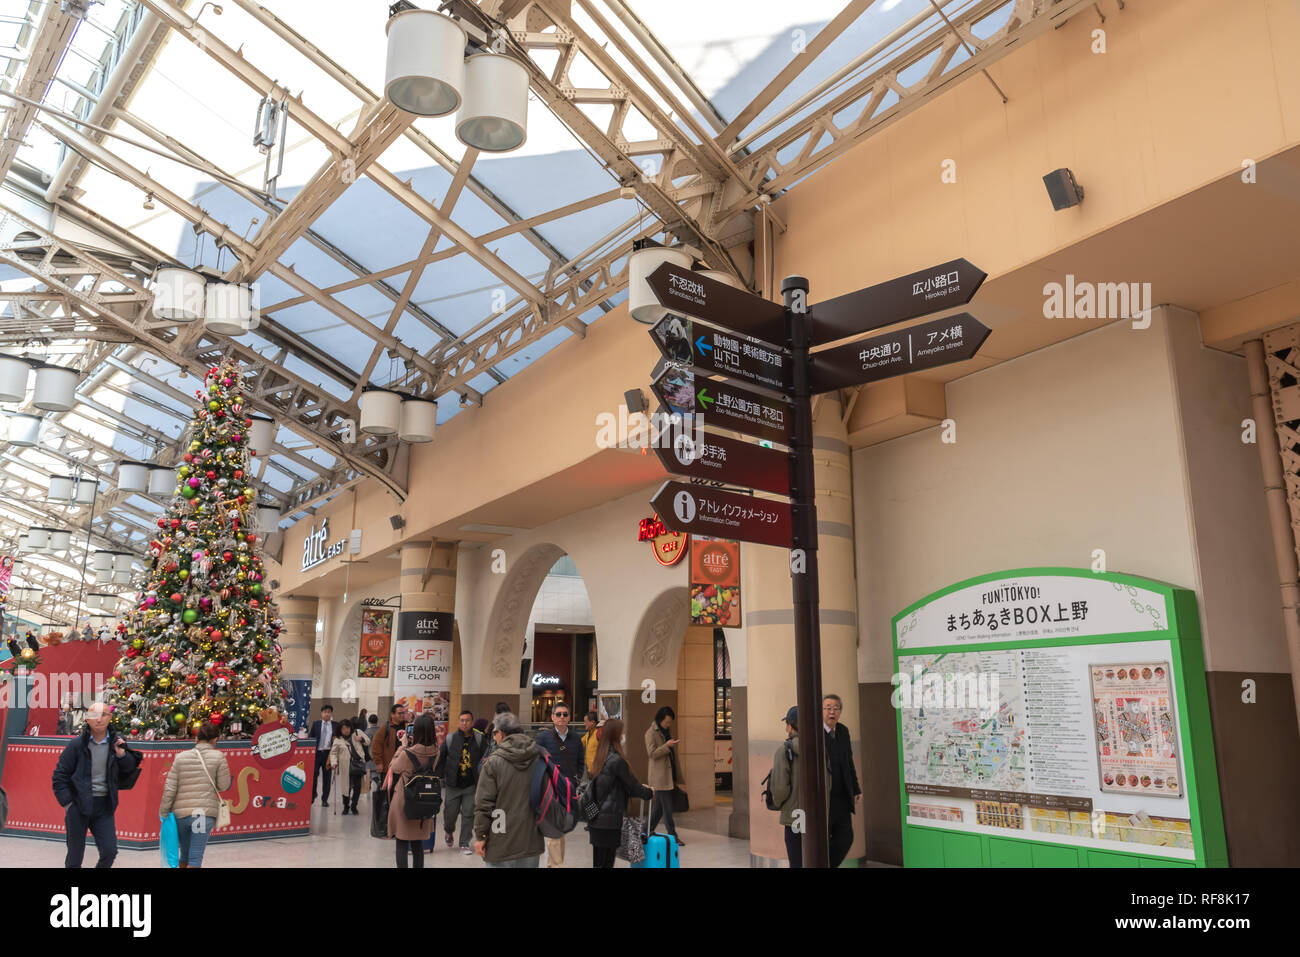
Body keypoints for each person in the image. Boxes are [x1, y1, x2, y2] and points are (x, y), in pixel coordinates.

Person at [51, 701, 140, 868]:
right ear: (87, 719)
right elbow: (59, 776)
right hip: (78, 804)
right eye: (94, 715)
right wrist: (68, 803)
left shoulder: (117, 742)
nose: (99, 719)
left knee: (110, 851)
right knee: (75, 855)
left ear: (110, 718)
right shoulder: (77, 745)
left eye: (103, 715)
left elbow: (129, 768)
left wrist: (121, 753)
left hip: (104, 806)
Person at [473, 712, 544, 868]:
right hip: (530, 839)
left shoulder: (493, 762)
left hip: (500, 839)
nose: (493, 737)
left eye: (494, 732)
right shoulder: (538, 757)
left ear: (502, 733)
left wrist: (481, 836)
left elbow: (484, 803)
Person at [158, 720, 232, 868]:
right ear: (215, 739)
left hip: (181, 815)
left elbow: (170, 788)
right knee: (195, 858)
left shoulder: (180, 757)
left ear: (196, 738)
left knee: (184, 856)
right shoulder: (219, 757)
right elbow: (223, 786)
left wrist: (164, 811)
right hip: (203, 815)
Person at [585, 718, 651, 868]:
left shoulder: (600, 756)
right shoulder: (616, 760)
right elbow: (632, 786)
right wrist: (648, 792)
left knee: (599, 863)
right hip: (609, 821)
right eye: (621, 733)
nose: (623, 735)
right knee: (607, 863)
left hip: (596, 819)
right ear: (616, 735)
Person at [383, 713, 439, 868]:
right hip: (424, 800)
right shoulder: (436, 751)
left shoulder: (408, 753)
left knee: (401, 842)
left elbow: (393, 767)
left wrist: (403, 746)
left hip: (405, 799)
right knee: (417, 844)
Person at [533, 701, 585, 867]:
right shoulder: (543, 737)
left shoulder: (576, 738)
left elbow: (580, 762)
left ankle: (555, 863)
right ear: (552, 717)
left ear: (569, 717)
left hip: (568, 789)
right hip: (550, 790)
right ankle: (556, 864)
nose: (562, 717)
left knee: (562, 827)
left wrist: (576, 779)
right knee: (555, 828)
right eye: (558, 714)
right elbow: (537, 762)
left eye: (565, 714)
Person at [434, 709, 487, 853]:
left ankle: (464, 843)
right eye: (462, 720)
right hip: (453, 784)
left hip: (471, 784)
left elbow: (485, 759)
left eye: (467, 720)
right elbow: (442, 757)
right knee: (450, 814)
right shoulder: (450, 738)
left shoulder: (479, 739)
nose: (464, 723)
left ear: (472, 722)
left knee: (468, 814)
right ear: (459, 722)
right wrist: (438, 777)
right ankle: (448, 831)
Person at [823, 693, 862, 867]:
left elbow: (849, 762)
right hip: (824, 797)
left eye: (836, 708)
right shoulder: (815, 733)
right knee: (823, 837)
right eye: (828, 708)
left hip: (842, 796)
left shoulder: (843, 731)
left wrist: (855, 788)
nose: (832, 712)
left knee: (846, 837)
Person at [645, 705, 685, 846]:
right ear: (660, 720)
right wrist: (666, 746)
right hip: (659, 777)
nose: (668, 725)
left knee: (659, 808)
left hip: (668, 774)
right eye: (667, 722)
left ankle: (646, 830)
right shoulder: (651, 733)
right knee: (667, 808)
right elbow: (651, 753)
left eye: (670, 722)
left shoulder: (666, 731)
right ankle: (673, 835)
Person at [329, 720, 368, 815]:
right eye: (343, 728)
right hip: (345, 767)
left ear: (350, 728)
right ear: (340, 730)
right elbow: (333, 753)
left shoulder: (357, 733)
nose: (346, 730)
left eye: (347, 728)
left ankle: (354, 806)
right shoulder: (338, 740)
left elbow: (368, 741)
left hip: (357, 766)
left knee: (357, 787)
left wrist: (362, 739)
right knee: (346, 788)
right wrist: (334, 762)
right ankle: (346, 806)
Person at [308, 705, 340, 807]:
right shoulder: (316, 724)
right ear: (321, 714)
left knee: (327, 778)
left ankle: (324, 799)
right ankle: (312, 796)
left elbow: (339, 738)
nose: (327, 714)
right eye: (325, 712)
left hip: (328, 755)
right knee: (314, 776)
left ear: (331, 714)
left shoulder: (335, 725)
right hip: (317, 754)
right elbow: (311, 737)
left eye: (329, 712)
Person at [370, 702, 409, 782]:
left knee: (402, 792)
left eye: (403, 713)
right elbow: (376, 745)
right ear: (392, 714)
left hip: (405, 767)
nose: (402, 715)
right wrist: (378, 762)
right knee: (388, 791)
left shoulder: (407, 726)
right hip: (389, 766)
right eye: (399, 713)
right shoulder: (385, 728)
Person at [580, 711, 600, 784]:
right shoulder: (588, 734)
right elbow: (580, 743)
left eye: (586, 721)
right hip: (590, 769)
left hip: (597, 769)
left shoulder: (598, 734)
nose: (584, 724)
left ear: (592, 722)